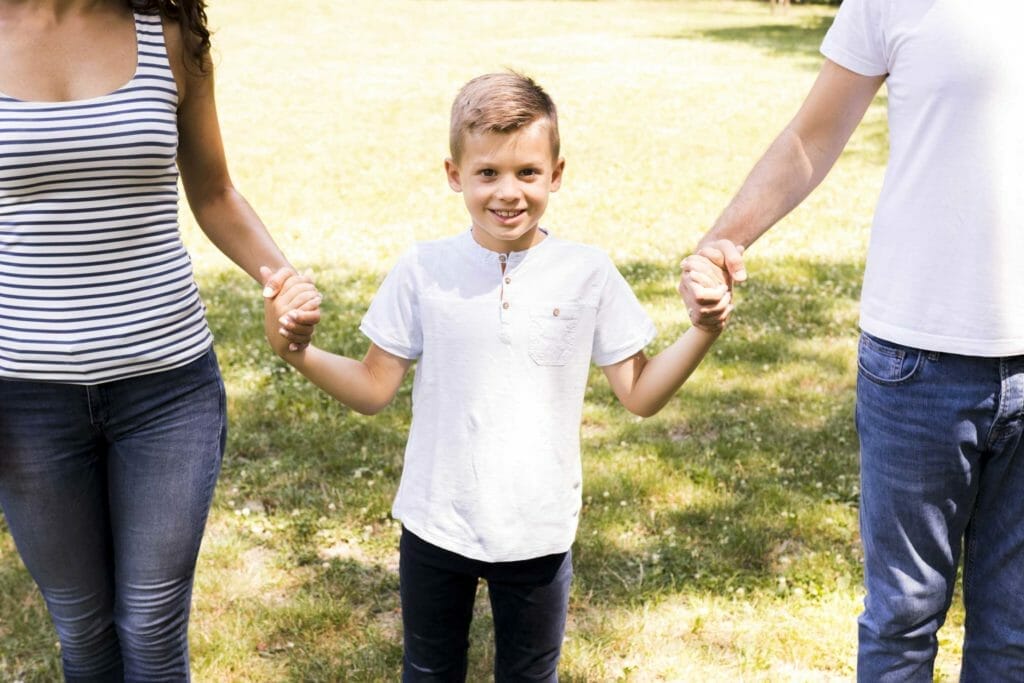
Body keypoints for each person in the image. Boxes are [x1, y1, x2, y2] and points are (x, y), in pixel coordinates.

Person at [263, 72, 731, 681]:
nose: (508, 192)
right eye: (487, 173)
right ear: (455, 175)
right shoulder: (423, 269)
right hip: (436, 524)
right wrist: (298, 352)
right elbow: (374, 388)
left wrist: (703, 329)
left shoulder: (586, 273)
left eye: (528, 173)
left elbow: (639, 394)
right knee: (429, 672)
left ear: (556, 174)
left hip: (538, 531)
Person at [678, 1, 1024, 680]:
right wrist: (720, 244)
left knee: (1016, 630)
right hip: (917, 360)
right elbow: (813, 135)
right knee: (901, 620)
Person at [0, 1, 319, 680]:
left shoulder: (167, 30)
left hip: (166, 391)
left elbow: (214, 191)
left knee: (149, 623)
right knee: (82, 629)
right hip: (23, 399)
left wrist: (282, 280)